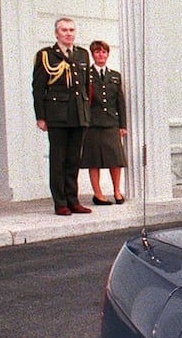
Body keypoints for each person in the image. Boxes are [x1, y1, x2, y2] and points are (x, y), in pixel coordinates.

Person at [32, 17, 92, 216]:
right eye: (64, 30)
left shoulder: (82, 54)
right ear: (56, 34)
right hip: (57, 115)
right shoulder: (46, 56)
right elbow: (38, 88)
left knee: (74, 160)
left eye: (71, 30)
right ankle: (60, 202)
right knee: (58, 160)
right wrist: (41, 117)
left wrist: (86, 112)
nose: (68, 34)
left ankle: (73, 200)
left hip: (78, 114)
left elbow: (85, 86)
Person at [80, 40, 127, 205]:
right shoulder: (86, 75)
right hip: (92, 123)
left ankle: (117, 191)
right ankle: (98, 194)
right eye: (97, 52)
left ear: (108, 54)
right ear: (92, 54)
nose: (101, 55)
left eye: (104, 52)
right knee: (94, 160)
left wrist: (122, 125)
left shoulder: (115, 76)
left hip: (111, 122)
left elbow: (120, 101)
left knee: (115, 159)